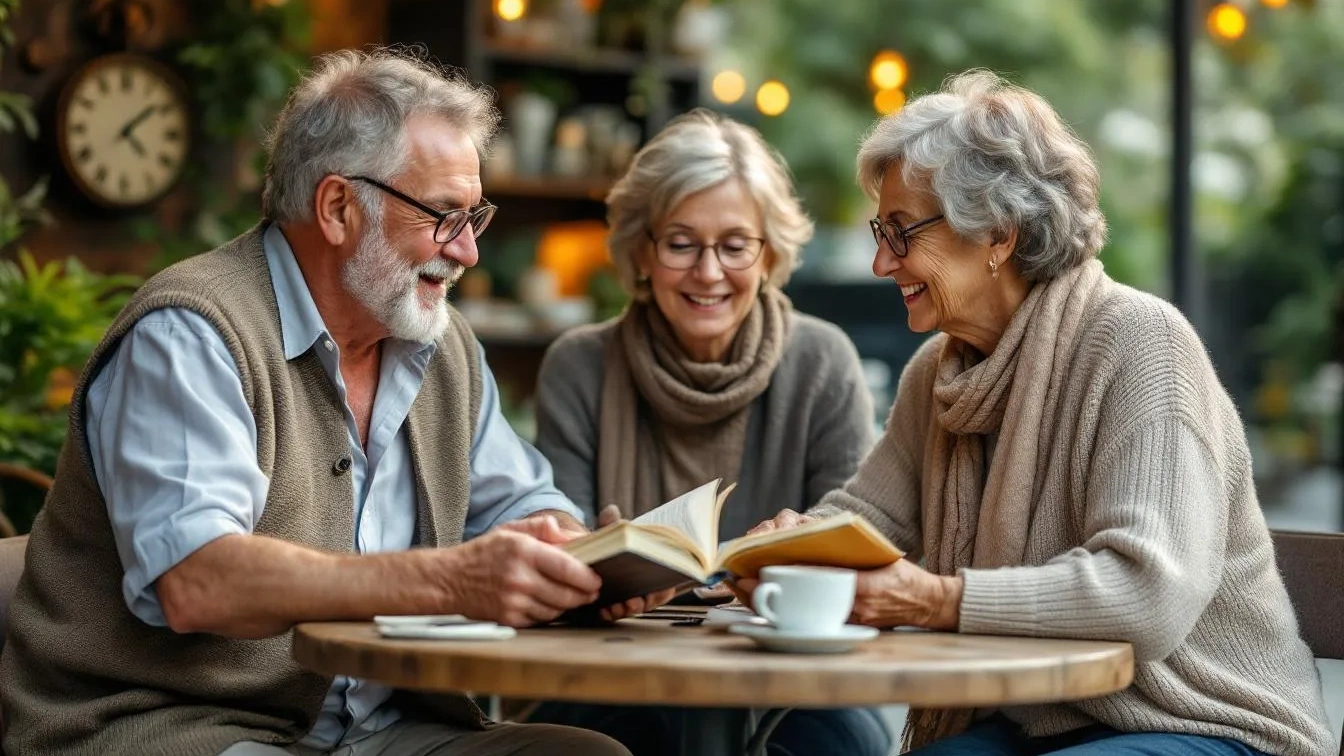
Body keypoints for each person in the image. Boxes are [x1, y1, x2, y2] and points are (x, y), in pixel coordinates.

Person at [0, 49, 633, 756]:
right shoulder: (189, 334)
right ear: (338, 209)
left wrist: (593, 561)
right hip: (170, 725)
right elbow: (198, 580)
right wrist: (454, 578)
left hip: (383, 731)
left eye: (473, 218)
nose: (468, 254)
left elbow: (519, 507)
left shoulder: (439, 343)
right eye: (445, 217)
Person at [741, 70, 1337, 756]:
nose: (880, 261)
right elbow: (866, 519)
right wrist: (788, 549)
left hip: (1210, 724)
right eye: (881, 230)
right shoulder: (939, 373)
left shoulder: (1144, 344)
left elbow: (1146, 594)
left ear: (995, 232)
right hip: (1043, 720)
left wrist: (935, 600)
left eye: (901, 232)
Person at [527, 109, 891, 756]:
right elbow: (556, 554)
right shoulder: (578, 365)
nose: (709, 272)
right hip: (614, 674)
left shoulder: (824, 361)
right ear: (641, 248)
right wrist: (607, 574)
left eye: (734, 244)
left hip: (796, 680)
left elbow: (858, 553)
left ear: (770, 251)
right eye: (681, 243)